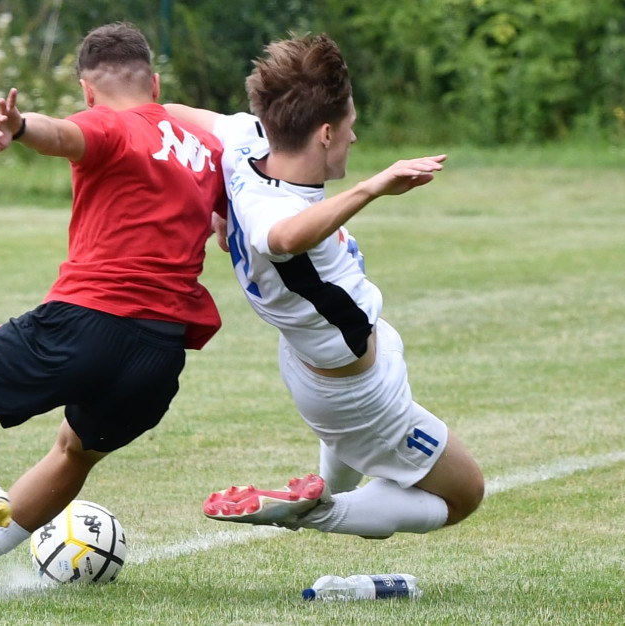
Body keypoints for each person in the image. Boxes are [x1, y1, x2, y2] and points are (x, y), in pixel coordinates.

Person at [0, 21, 226, 589]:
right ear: (154, 83)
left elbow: (64, 136)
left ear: (86, 90)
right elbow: (230, 223)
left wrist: (21, 126)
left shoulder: (108, 123)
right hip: (160, 353)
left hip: (89, 323)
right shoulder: (206, 148)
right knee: (74, 452)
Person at [165, 33, 483, 538]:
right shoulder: (281, 213)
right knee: (465, 495)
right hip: (356, 393)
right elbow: (281, 237)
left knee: (348, 454)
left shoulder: (246, 140)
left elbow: (169, 113)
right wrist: (372, 187)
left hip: (317, 363)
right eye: (352, 126)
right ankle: (315, 513)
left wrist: (216, 201)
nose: (355, 139)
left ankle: (319, 491)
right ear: (327, 134)